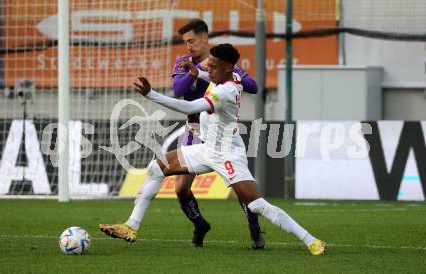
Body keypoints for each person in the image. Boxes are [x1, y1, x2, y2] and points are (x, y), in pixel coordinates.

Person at [99, 44, 326, 256]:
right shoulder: (227, 77)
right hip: (206, 149)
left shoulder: (226, 91)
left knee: (256, 204)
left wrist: (151, 95)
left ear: (228, 67)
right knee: (156, 167)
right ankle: (132, 226)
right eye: (209, 64)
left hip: (228, 154)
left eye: (213, 66)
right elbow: (215, 77)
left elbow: (189, 107)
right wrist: (198, 74)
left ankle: (311, 240)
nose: (208, 68)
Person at [171, 18, 263, 248]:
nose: (188, 46)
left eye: (191, 41)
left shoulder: (222, 62)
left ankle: (254, 228)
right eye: (185, 42)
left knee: (241, 188)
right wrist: (196, 72)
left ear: (204, 39)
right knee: (181, 188)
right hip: (194, 130)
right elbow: (178, 91)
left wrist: (223, 73)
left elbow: (252, 86)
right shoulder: (183, 61)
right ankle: (200, 225)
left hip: (222, 134)